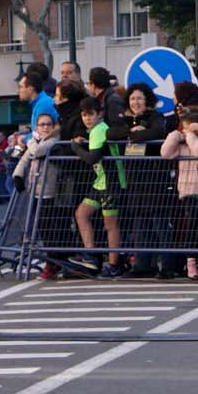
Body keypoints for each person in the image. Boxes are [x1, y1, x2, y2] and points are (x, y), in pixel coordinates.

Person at [71, 97, 123, 276]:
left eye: (90, 114)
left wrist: (75, 148)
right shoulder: (94, 131)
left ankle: (113, 264)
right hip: (100, 183)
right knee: (81, 213)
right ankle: (91, 256)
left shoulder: (100, 129)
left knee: (111, 225)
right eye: (84, 115)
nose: (87, 118)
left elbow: (93, 157)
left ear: (99, 114)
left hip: (111, 183)